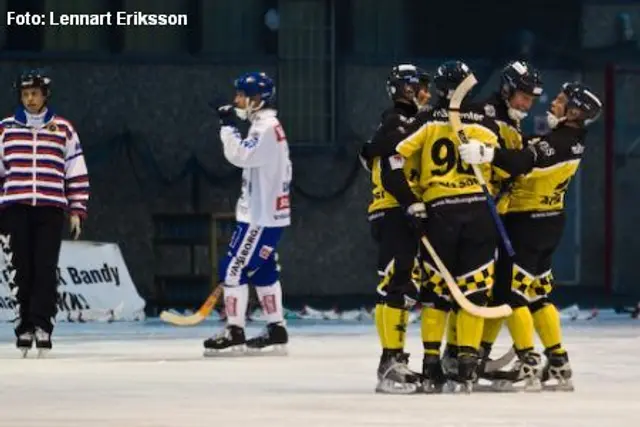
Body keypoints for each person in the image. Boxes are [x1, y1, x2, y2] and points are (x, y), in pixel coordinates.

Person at [459, 82, 603, 391]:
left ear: (574, 111)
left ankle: (528, 364)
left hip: (528, 223)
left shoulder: (559, 143)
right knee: (538, 294)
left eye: (562, 101)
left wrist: (485, 152)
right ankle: (560, 364)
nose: (554, 103)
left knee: (512, 296)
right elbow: (530, 146)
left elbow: (521, 160)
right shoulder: (571, 140)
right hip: (550, 222)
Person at [392, 61, 501, 392]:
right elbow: (506, 163)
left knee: (435, 293)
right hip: (479, 212)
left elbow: (394, 157)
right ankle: (467, 366)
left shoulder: (425, 120)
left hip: (440, 213)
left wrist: (410, 198)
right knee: (475, 292)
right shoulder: (485, 122)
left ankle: (430, 366)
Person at [0, 69, 89, 357]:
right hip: (15, 208)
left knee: (45, 269)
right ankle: (24, 326)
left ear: (45, 95)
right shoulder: (6, 129)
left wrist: (77, 209)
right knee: (21, 268)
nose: (30, 99)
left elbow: (75, 171)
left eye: (35, 93)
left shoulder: (63, 129)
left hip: (50, 208)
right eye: (25, 94)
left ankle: (42, 325)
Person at [204, 72, 292, 356]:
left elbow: (240, 155)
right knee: (263, 270)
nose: (236, 100)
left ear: (256, 99)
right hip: (267, 215)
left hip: (259, 216)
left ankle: (234, 331)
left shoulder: (265, 128)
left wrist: (227, 125)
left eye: (241, 95)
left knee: (232, 269)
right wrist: (232, 117)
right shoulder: (266, 124)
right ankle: (276, 330)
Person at [359, 64, 430, 394]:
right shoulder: (398, 121)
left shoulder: (391, 122)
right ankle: (390, 363)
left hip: (389, 211)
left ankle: (394, 358)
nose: (426, 94)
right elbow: (390, 165)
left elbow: (369, 152)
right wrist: (411, 202)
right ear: (406, 89)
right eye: (420, 88)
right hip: (393, 211)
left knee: (400, 285)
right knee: (397, 287)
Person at [471, 60, 543, 374]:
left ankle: (476, 353)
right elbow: (509, 165)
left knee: (499, 288)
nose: (527, 103)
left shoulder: (511, 120)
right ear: (507, 89)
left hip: (501, 213)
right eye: (523, 96)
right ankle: (462, 353)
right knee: (477, 286)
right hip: (480, 212)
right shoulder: (486, 114)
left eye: (531, 98)